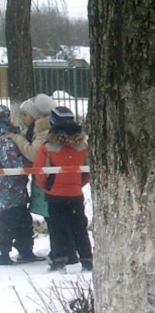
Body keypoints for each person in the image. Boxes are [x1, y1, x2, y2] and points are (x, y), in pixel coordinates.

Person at [3, 93, 78, 264]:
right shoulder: (38, 130)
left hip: (50, 181)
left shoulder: (42, 131)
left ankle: (61, 252)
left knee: (54, 218)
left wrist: (17, 138)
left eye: (25, 115)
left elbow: (33, 153)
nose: (23, 118)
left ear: (35, 116)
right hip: (51, 181)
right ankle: (63, 251)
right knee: (56, 217)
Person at [32, 107, 93, 271]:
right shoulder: (83, 146)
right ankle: (87, 258)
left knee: (58, 228)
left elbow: (40, 171)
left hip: (55, 194)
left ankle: (59, 259)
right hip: (76, 193)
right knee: (79, 227)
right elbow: (87, 170)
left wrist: (46, 185)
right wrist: (78, 184)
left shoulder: (48, 146)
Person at [0, 105, 42, 265]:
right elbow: (13, 166)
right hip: (11, 191)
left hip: (9, 191)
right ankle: (12, 252)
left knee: (15, 221)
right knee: (14, 222)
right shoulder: (6, 140)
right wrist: (31, 161)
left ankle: (12, 251)